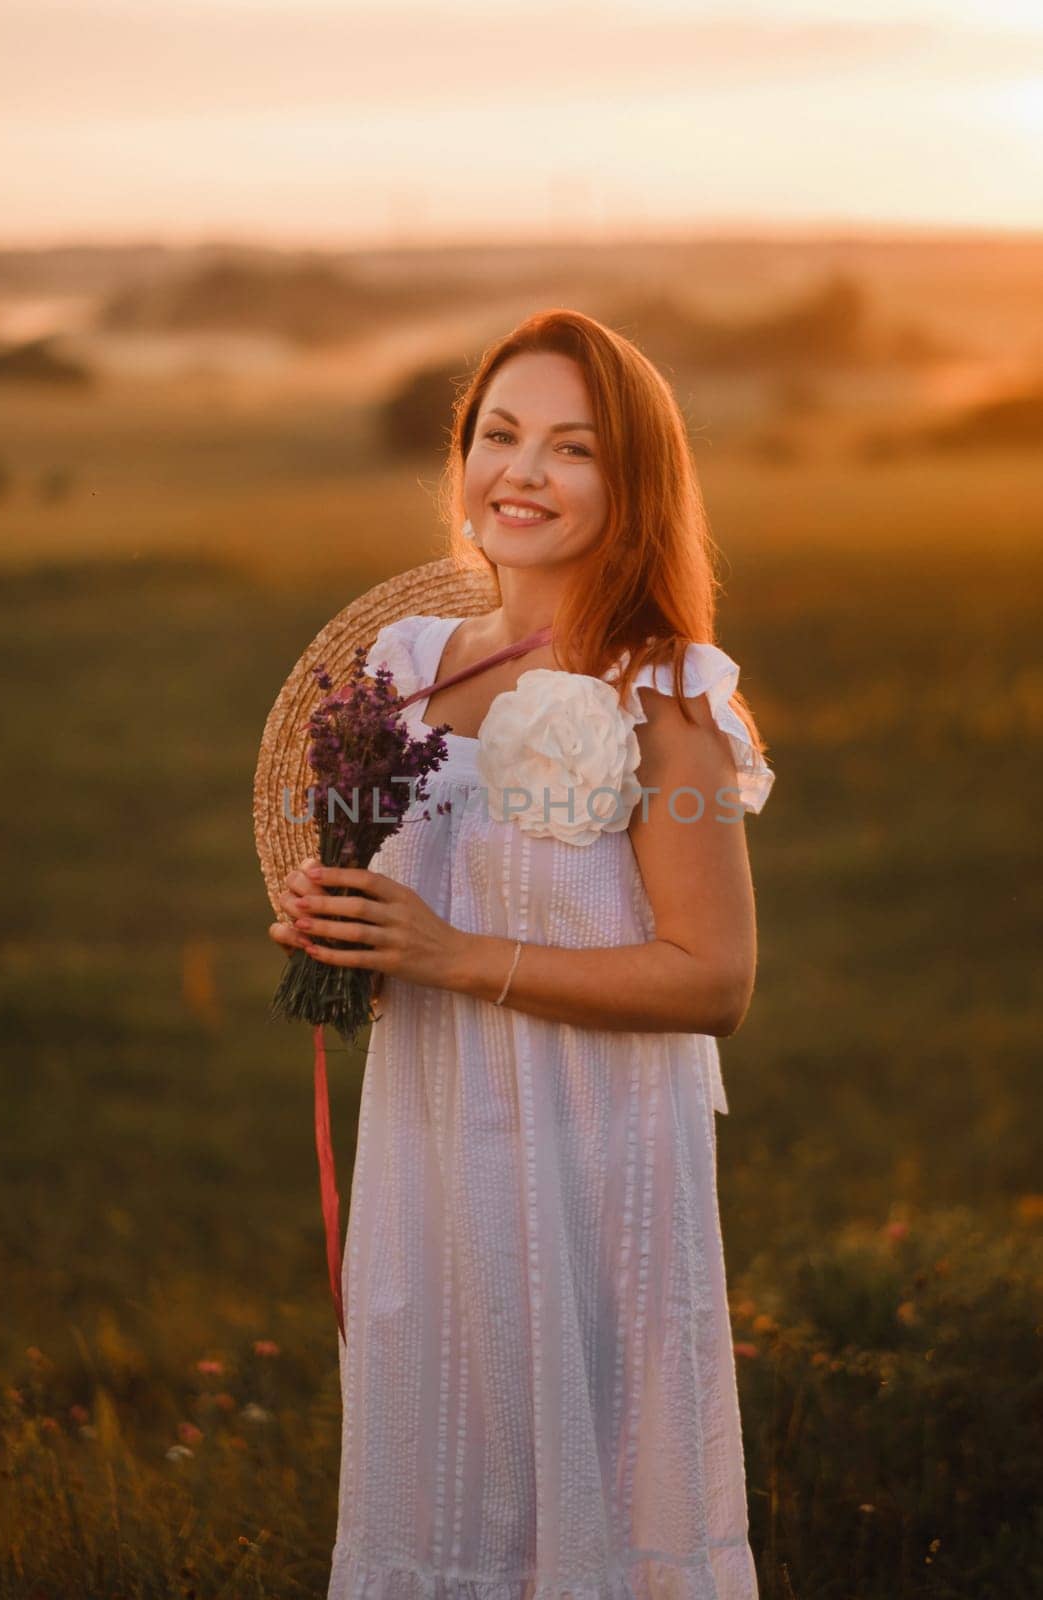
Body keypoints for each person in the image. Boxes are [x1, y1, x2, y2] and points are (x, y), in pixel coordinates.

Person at [270, 309, 775, 1600]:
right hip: (432, 1148)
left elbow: (711, 978)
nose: (521, 473)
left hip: (595, 1158)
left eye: (571, 448)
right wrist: (347, 932)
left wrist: (451, 951)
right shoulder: (397, 669)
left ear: (634, 484)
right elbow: (404, 905)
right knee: (443, 1486)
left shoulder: (666, 699)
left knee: (590, 1504)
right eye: (499, 435)